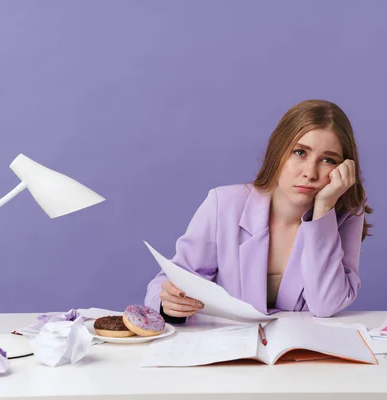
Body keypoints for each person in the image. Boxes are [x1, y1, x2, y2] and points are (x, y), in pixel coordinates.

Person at [144, 99, 372, 323]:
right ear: (278, 151)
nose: (310, 173)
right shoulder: (224, 204)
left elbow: (326, 305)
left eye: (327, 160)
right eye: (300, 152)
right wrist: (168, 303)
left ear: (344, 168)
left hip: (302, 356)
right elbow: (167, 282)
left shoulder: (345, 213)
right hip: (230, 349)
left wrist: (323, 212)